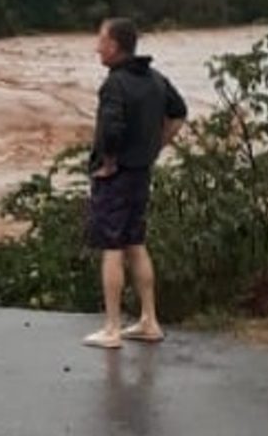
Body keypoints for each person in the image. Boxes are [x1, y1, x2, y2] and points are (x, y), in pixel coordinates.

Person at [83, 18, 187, 349]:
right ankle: (149, 320)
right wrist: (157, 145)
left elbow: (111, 130)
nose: (97, 47)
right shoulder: (156, 79)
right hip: (141, 172)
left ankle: (112, 327)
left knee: (111, 247)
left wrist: (109, 162)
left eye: (101, 40)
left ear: (114, 46)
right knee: (135, 243)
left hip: (116, 176)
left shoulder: (115, 85)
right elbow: (180, 112)